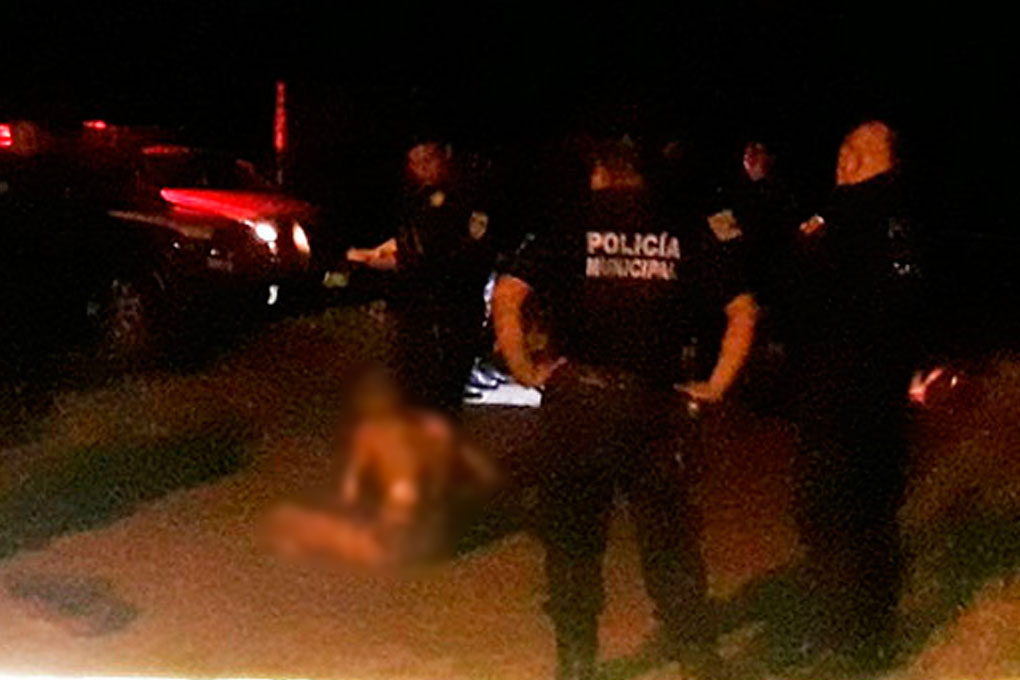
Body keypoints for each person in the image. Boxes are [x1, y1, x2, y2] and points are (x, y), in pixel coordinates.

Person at [492, 134, 759, 680]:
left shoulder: (568, 220)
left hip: (578, 406)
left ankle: (577, 663)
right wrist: (715, 385)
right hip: (652, 405)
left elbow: (507, 295)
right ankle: (697, 659)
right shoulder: (681, 225)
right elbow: (743, 310)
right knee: (670, 545)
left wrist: (525, 369)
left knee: (573, 542)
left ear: (598, 170)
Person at [782, 120, 924, 672]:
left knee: (855, 521)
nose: (849, 158)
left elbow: (892, 303)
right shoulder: (838, 216)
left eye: (864, 149)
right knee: (831, 518)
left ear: (891, 162)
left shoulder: (881, 218)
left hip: (860, 398)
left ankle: (859, 638)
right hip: (832, 395)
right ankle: (841, 630)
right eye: (844, 147)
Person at [348, 139, 497, 414]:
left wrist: (369, 262)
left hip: (446, 314)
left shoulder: (460, 198)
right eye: (415, 163)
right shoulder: (422, 197)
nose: (422, 169)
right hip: (421, 312)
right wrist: (371, 252)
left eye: (428, 160)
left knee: (436, 394)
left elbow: (425, 258)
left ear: (445, 155)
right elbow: (409, 239)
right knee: (415, 391)